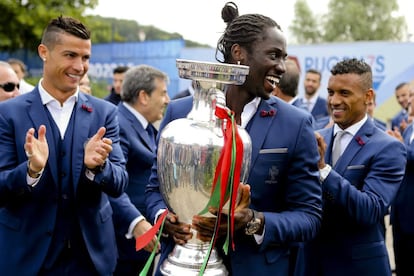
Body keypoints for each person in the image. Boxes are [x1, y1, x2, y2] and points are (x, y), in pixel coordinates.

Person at [146, 2, 322, 275]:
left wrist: (253, 221)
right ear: (238, 53)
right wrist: (165, 219)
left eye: (284, 57)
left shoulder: (296, 124)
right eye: (274, 55)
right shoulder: (181, 113)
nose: (282, 67)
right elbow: (154, 189)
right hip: (181, 265)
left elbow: (309, 216)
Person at [0, 16, 130, 275]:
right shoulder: (8, 114)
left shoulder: (104, 113)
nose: (80, 66)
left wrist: (98, 167)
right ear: (44, 52)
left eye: (86, 58)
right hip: (27, 257)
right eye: (71, 55)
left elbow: (120, 182)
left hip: (91, 260)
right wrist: (31, 171)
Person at [311, 58, 406, 276]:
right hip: (311, 263)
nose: (334, 101)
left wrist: (323, 170)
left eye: (344, 93)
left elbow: (370, 210)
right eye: (330, 92)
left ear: (368, 96)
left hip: (358, 267)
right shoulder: (316, 138)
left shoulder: (388, 147)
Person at [111, 64, 170, 276]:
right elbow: (111, 184)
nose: (167, 100)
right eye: (163, 93)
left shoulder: (144, 128)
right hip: (123, 244)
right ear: (143, 96)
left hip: (139, 245)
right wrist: (135, 222)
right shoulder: (118, 124)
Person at [388, 86, 414, 276]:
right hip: (400, 212)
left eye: (412, 95)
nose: (409, 100)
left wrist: (400, 146)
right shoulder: (409, 128)